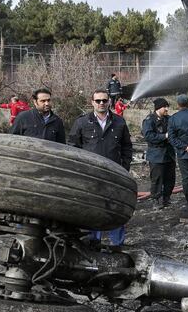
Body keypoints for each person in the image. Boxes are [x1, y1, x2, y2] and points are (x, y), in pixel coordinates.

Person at [69, 89, 133, 247]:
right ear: (92, 102)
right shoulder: (82, 122)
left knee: (115, 209)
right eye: (98, 101)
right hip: (90, 175)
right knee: (91, 209)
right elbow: (72, 147)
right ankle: (92, 242)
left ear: (109, 102)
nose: (102, 103)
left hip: (114, 174)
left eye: (104, 100)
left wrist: (124, 168)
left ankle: (117, 244)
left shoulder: (119, 122)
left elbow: (127, 147)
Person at [142, 98, 176, 208]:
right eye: (164, 107)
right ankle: (155, 200)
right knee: (157, 179)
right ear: (158, 108)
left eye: (167, 106)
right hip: (156, 155)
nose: (167, 109)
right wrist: (164, 136)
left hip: (169, 154)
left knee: (170, 178)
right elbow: (148, 136)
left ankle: (167, 199)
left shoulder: (169, 119)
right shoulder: (149, 120)